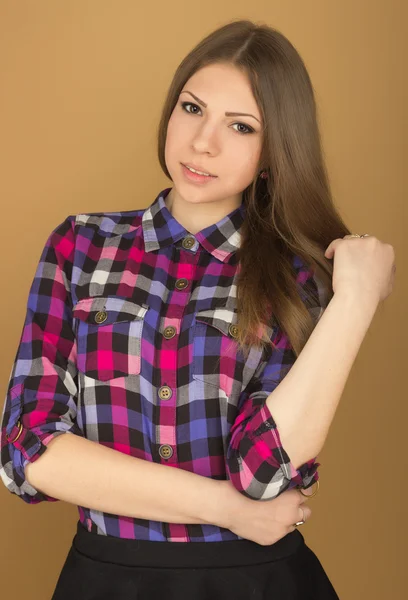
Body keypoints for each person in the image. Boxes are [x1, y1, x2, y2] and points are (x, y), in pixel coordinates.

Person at [0, 19, 395, 600]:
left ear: (272, 152)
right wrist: (222, 509)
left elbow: (263, 474)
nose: (203, 142)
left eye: (240, 126)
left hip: (258, 583)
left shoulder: (298, 279)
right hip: (104, 579)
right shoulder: (80, 246)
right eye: (192, 109)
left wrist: (356, 300)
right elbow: (27, 452)